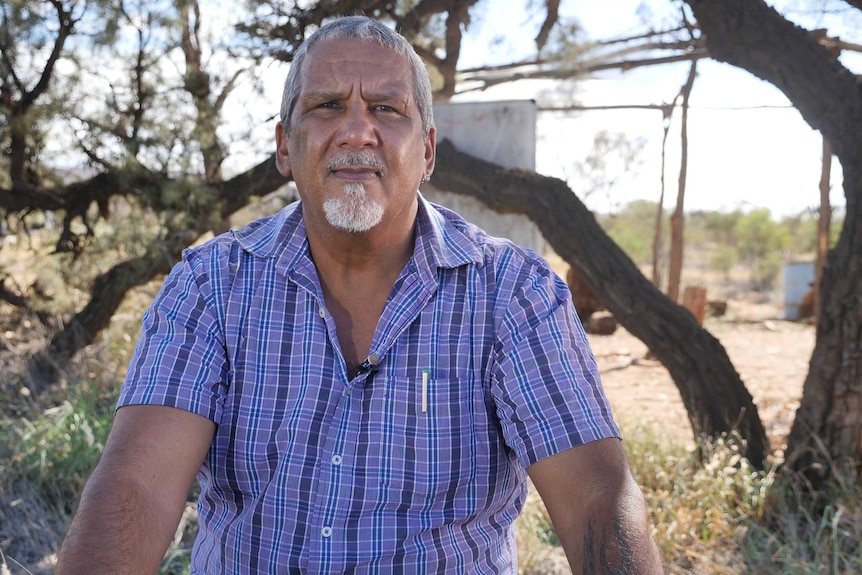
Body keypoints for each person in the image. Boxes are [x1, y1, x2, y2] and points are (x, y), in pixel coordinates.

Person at [56, 15, 664, 574]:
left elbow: (596, 502)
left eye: (386, 108)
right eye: (325, 106)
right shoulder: (210, 286)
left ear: (427, 151)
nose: (356, 130)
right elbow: (136, 487)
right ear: (284, 147)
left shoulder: (516, 295)